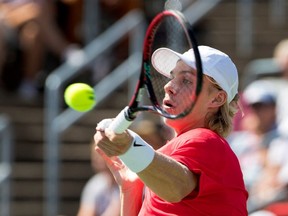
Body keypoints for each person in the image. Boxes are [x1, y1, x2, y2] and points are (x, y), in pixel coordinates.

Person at [94, 45, 248, 215]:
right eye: (173, 77)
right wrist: (130, 188)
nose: (169, 86)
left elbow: (177, 189)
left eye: (187, 81)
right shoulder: (171, 153)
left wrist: (130, 148)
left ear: (217, 98)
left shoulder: (205, 139)